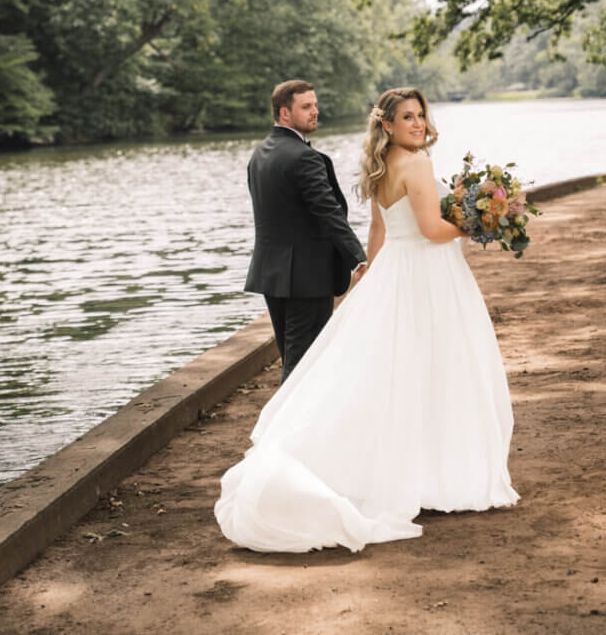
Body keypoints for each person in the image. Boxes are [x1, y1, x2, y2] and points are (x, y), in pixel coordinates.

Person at [215, 86, 519, 553]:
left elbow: (379, 232)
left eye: (421, 115)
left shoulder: (378, 168)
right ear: (389, 125)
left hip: (394, 273)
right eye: (408, 117)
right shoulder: (416, 164)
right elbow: (434, 231)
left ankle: (410, 468)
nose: (418, 124)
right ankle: (435, 472)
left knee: (393, 373)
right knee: (440, 368)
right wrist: (485, 223)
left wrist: (369, 283)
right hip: (427, 277)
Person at [244, 79, 367, 383]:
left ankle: (288, 425)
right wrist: (358, 258)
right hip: (307, 278)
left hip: (272, 274)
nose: (315, 111)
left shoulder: (260, 154)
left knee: (293, 355)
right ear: (284, 113)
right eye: (306, 106)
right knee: (304, 363)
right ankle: (285, 429)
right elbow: (329, 213)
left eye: (315, 104)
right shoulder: (305, 157)